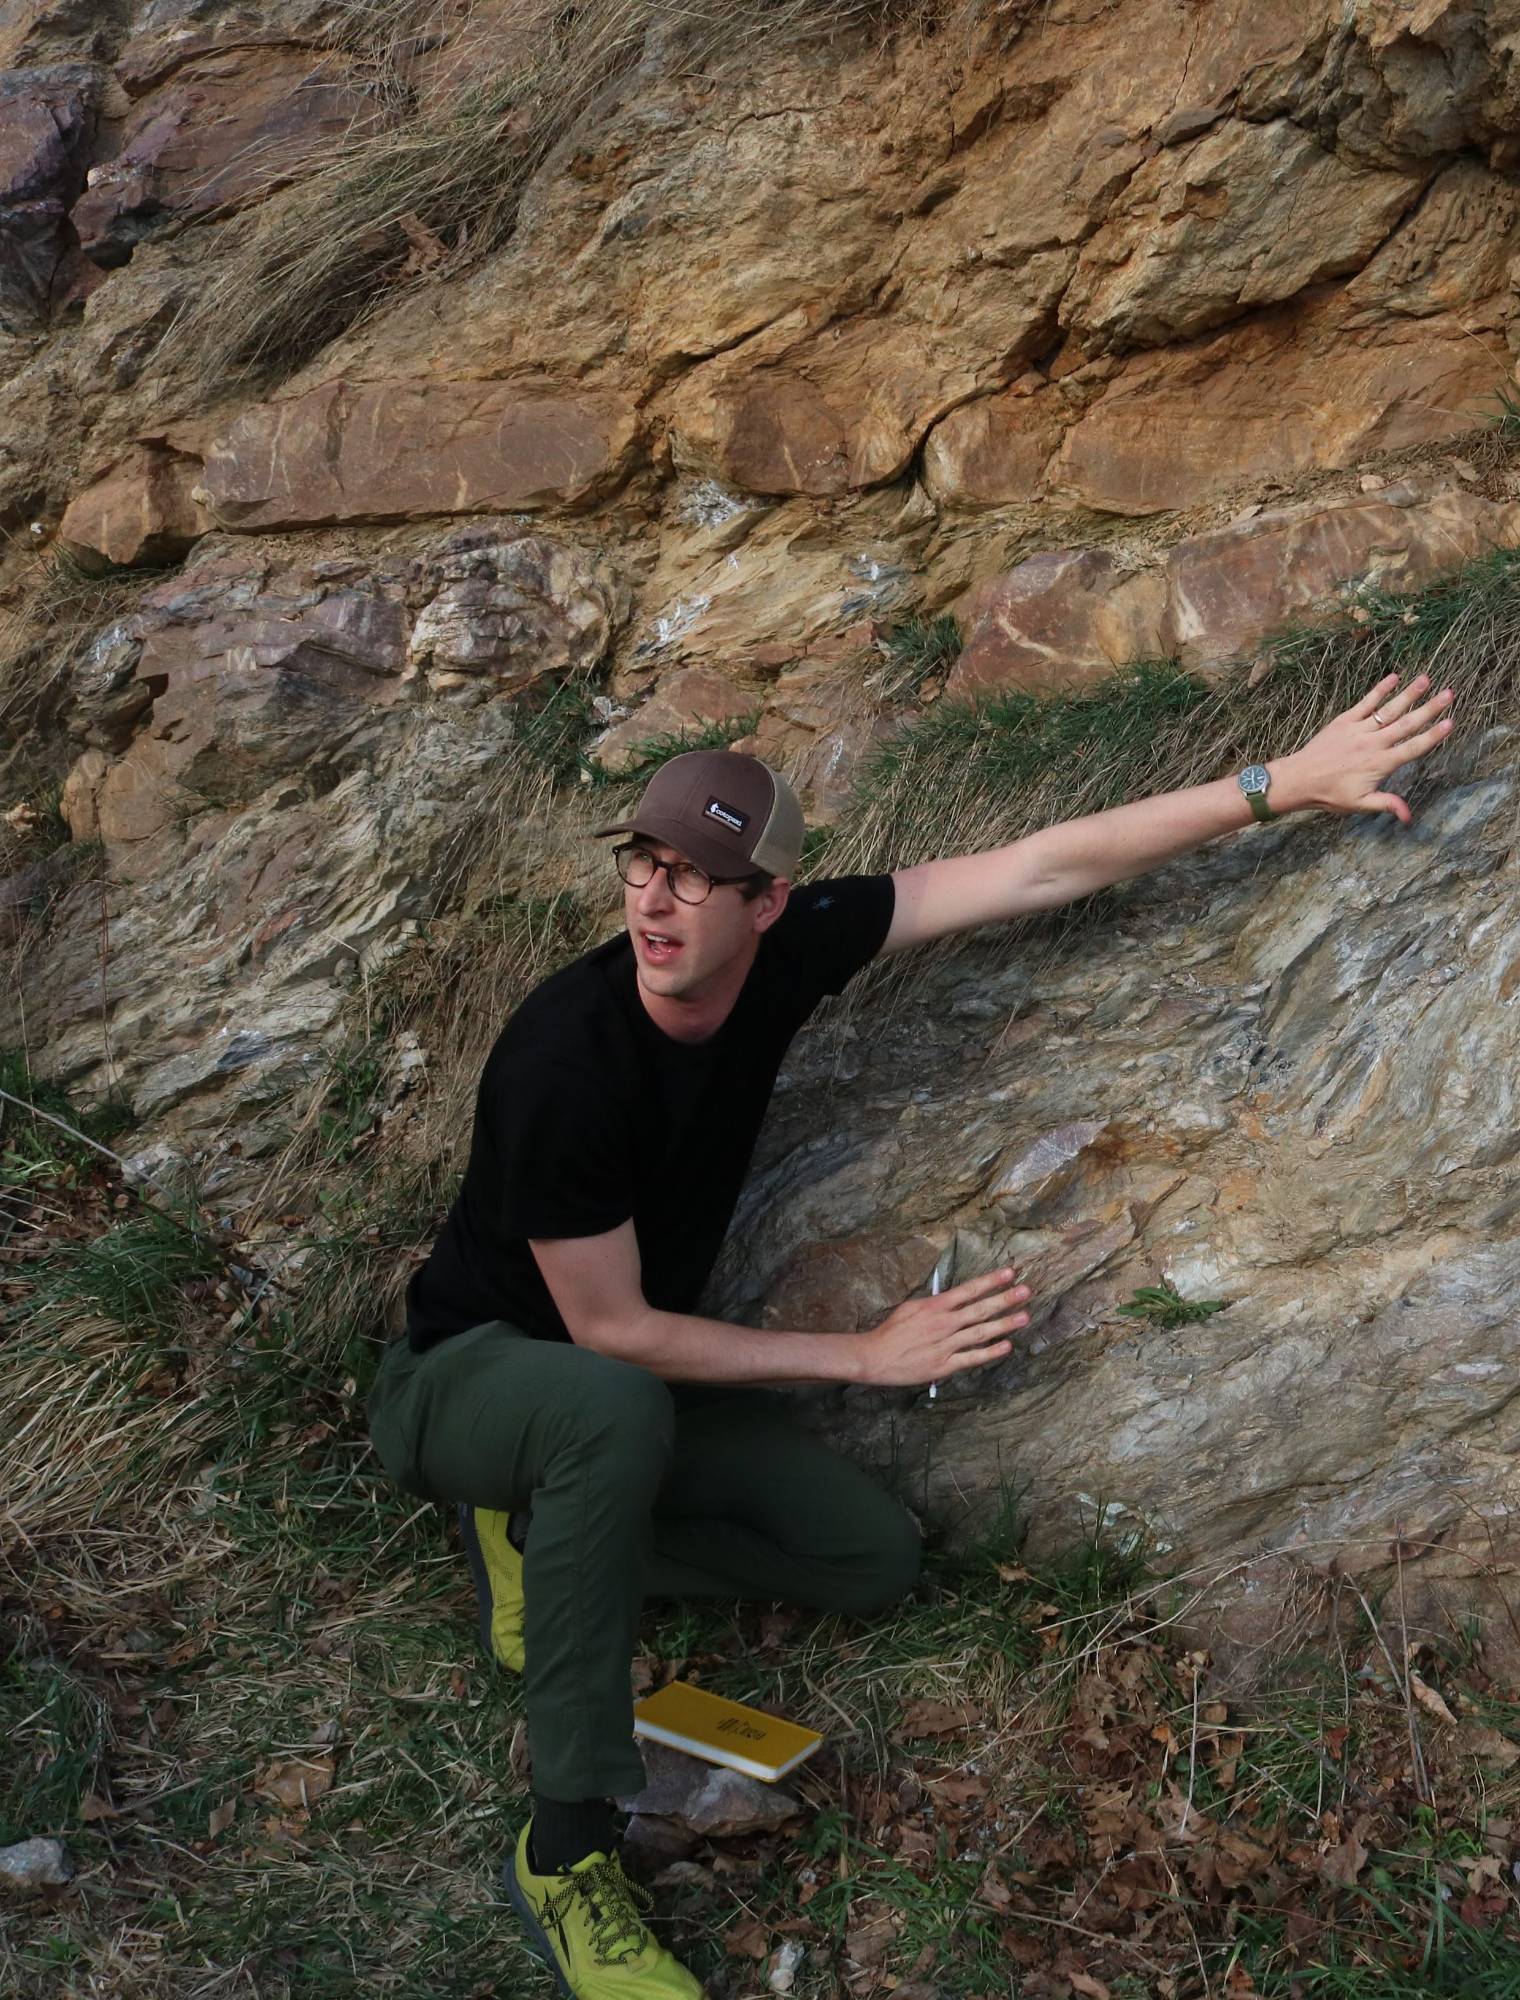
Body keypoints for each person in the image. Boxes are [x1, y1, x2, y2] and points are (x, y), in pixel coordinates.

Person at [364, 667, 1454, 1999]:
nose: (653, 900)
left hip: (606, 1397)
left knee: (866, 1554)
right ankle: (567, 1849)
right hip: (469, 1377)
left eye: (695, 876)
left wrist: (1276, 785)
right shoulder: (564, 1065)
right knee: (610, 1407)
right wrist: (865, 1358)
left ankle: (541, 1546)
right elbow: (615, 1332)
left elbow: (1039, 867)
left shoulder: (790, 952)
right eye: (641, 864)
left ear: (767, 904)